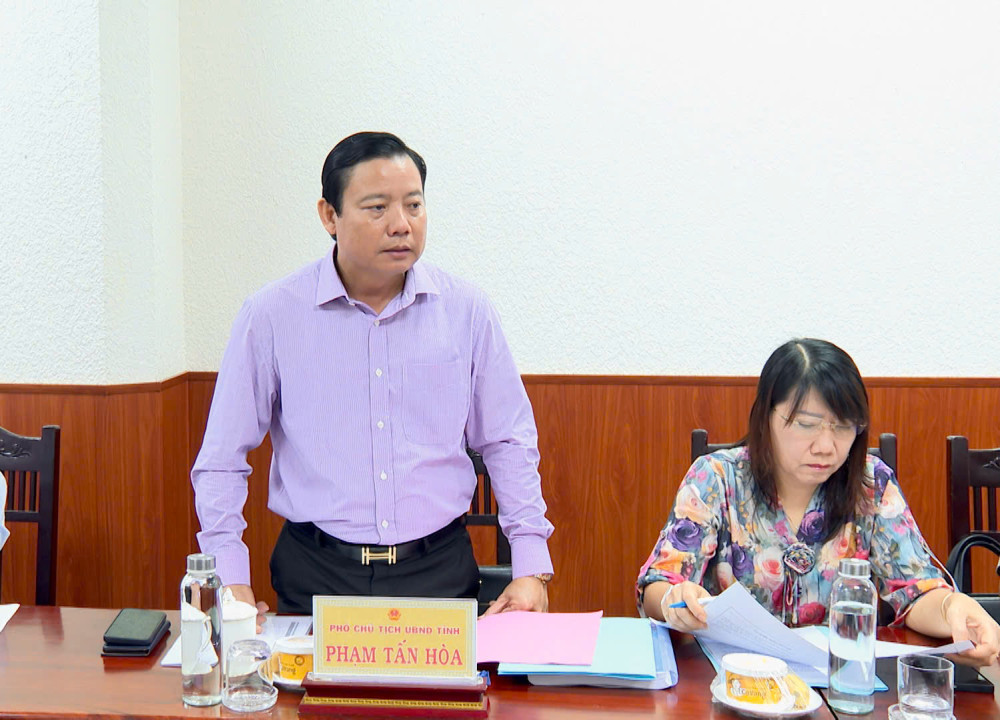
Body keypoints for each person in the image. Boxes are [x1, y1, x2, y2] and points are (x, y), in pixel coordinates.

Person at [192, 131, 554, 624]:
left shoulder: (466, 311)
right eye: (377, 208)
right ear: (330, 216)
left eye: (414, 205)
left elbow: (508, 440)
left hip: (438, 571)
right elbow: (221, 460)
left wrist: (531, 565)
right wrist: (230, 575)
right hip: (316, 572)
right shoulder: (272, 315)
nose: (401, 225)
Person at [637, 338, 1000, 666]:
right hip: (733, 678)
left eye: (843, 426)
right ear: (766, 417)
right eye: (807, 424)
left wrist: (953, 607)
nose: (826, 446)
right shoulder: (716, 477)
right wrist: (673, 598)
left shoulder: (871, 485)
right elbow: (658, 584)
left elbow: (915, 591)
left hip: (841, 684)